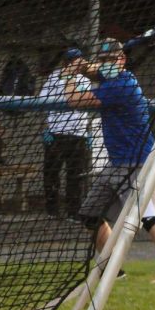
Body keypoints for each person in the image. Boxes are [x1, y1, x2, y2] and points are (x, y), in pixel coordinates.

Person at [62, 38, 155, 282]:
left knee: (147, 216)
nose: (107, 64)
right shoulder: (110, 78)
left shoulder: (122, 84)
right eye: (104, 60)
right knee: (90, 215)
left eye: (112, 60)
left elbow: (75, 100)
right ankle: (114, 269)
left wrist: (69, 75)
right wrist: (80, 65)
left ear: (122, 60)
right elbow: (94, 70)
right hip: (117, 162)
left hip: (137, 162)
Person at [39, 48, 93, 218]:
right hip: (56, 133)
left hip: (79, 135)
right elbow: (41, 102)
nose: (78, 64)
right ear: (67, 62)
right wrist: (45, 129)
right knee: (51, 173)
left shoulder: (85, 79)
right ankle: (52, 210)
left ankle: (74, 211)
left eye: (79, 60)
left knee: (76, 174)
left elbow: (88, 105)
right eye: (74, 61)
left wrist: (88, 130)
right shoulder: (54, 77)